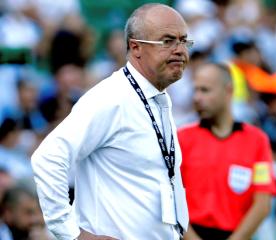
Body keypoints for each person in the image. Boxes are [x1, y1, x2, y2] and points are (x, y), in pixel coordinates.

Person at [31, 3, 192, 240]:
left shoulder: (158, 97)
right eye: (167, 41)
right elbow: (47, 158)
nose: (179, 49)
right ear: (135, 47)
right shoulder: (111, 97)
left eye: (183, 40)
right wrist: (73, 234)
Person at [178, 63, 276, 240]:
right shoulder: (181, 139)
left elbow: (262, 204)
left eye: (205, 90)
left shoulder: (256, 141)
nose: (197, 98)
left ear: (228, 91)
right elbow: (170, 199)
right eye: (195, 90)